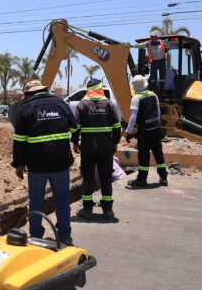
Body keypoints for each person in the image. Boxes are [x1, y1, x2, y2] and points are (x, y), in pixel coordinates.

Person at [12, 80, 77, 245]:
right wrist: (74, 141)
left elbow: (19, 141)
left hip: (37, 165)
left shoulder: (25, 109)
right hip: (60, 163)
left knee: (36, 201)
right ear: (44, 90)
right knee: (62, 200)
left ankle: (36, 236)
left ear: (27, 94)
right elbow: (75, 128)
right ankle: (64, 236)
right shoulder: (61, 104)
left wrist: (19, 164)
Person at [71, 78, 121, 220]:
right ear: (100, 89)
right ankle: (108, 210)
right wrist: (114, 142)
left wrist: (75, 141)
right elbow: (117, 126)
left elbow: (76, 126)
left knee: (88, 178)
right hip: (105, 148)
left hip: (87, 148)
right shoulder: (108, 104)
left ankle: (87, 209)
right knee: (106, 177)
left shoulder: (82, 104)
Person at [123, 75, 168, 187]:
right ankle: (163, 177)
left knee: (143, 156)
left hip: (144, 131)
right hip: (155, 129)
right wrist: (157, 125)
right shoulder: (153, 95)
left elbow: (133, 116)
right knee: (158, 153)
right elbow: (158, 112)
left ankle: (142, 179)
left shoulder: (136, 98)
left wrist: (128, 131)